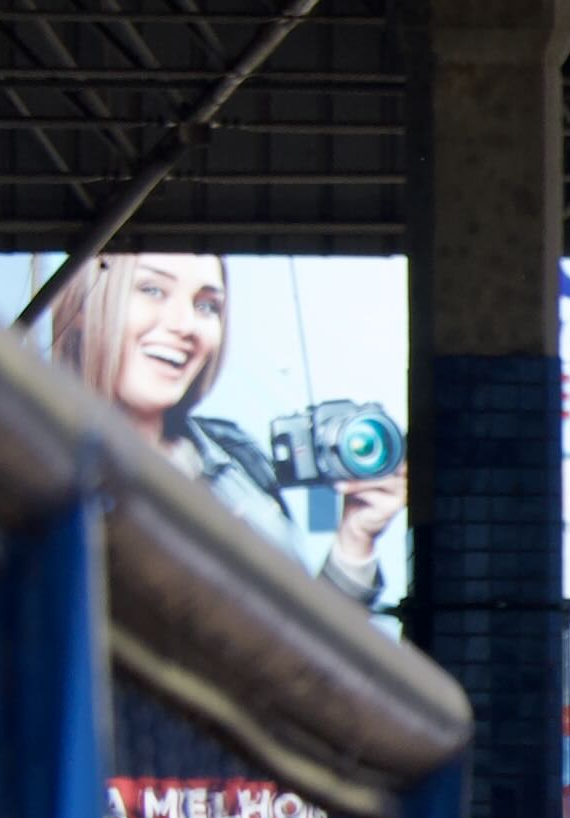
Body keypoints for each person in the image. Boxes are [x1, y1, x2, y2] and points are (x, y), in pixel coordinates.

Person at [44, 248, 404, 608]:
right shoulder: (38, 457)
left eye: (207, 306)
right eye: (152, 290)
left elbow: (302, 650)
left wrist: (355, 540)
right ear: (82, 307)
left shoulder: (236, 456)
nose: (184, 325)